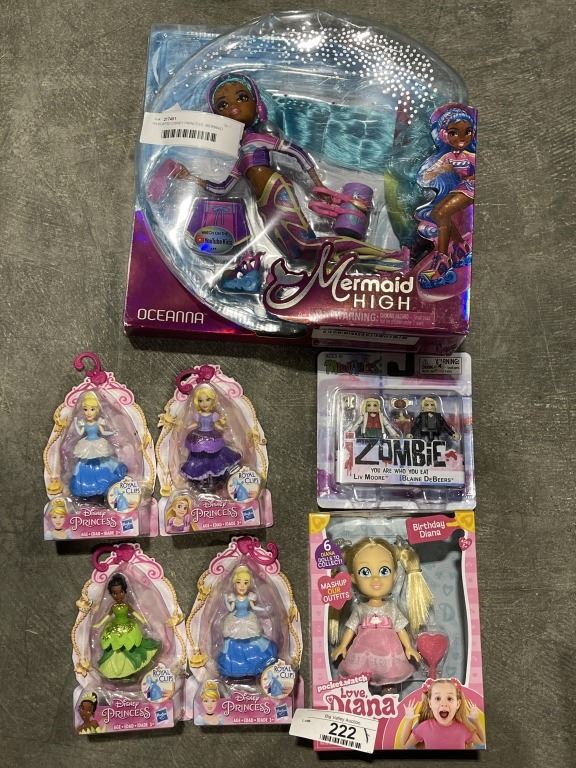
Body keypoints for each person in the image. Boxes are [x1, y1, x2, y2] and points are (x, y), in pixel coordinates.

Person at [172, 73, 407, 272]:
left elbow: (297, 152)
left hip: (276, 190)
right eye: (222, 105)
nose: (233, 105)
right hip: (264, 206)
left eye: (242, 97)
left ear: (257, 104)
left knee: (306, 246)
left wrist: (318, 184)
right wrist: (189, 177)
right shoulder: (242, 153)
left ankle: (388, 258)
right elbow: (222, 188)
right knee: (298, 253)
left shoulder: (259, 138)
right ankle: (379, 263)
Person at [331, 538, 432, 687]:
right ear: (353, 578)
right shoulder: (360, 608)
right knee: (361, 678)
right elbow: (351, 628)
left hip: (388, 652)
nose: (375, 579)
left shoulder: (391, 608)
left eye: (384, 571)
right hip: (363, 650)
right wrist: (342, 646)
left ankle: (388, 692)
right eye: (365, 572)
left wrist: (409, 647)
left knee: (389, 677)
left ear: (394, 576)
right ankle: (364, 695)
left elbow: (401, 629)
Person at [415, 104, 476, 280]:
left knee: (441, 213)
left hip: (471, 189)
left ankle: (442, 259)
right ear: (444, 134)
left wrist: (471, 177)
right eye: (454, 132)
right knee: (437, 213)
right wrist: (441, 170)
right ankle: (460, 246)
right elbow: (425, 177)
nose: (462, 137)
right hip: (461, 189)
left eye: (467, 131)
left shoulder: (471, 157)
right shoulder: (447, 157)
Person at [94, 573, 160, 680]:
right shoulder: (113, 606)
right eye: (114, 593)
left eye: (121, 592)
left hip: (128, 627)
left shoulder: (126, 605)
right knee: (115, 647)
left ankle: (131, 668)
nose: (118, 596)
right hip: (115, 629)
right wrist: (99, 624)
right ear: (111, 594)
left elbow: (134, 612)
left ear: (125, 592)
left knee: (131, 645)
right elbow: (107, 616)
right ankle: (117, 669)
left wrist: (142, 619)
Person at [217, 564, 278, 678]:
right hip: (235, 620)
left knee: (254, 640)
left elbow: (254, 607)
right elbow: (230, 609)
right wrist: (226, 599)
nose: (242, 586)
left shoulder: (249, 597)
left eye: (245, 583)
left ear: (249, 584)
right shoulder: (234, 598)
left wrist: (265, 609)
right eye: (239, 582)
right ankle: (235, 667)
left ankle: (256, 663)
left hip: (248, 619)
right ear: (234, 584)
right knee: (232, 642)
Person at [69, 392, 127, 498]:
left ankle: (104, 482)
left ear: (97, 410)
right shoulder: (84, 423)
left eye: (92, 409)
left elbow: (103, 432)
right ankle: (86, 485)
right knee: (84, 464)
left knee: (103, 462)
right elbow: (80, 433)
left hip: (97, 443)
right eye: (85, 409)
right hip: (87, 443)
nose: (88, 413)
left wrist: (113, 432)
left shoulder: (98, 422)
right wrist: (76, 423)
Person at [181, 383, 242, 483]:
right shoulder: (197, 415)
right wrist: (187, 427)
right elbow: (195, 424)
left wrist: (222, 427)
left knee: (216, 453)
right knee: (198, 455)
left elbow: (217, 426)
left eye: (207, 399)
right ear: (197, 402)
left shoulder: (214, 415)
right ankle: (202, 474)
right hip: (198, 436)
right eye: (201, 401)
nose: (204, 403)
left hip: (212, 435)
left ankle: (217, 472)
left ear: (212, 400)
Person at [400, 678, 485, 749]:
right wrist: (409, 720)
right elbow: (404, 744)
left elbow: (482, 741)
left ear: (458, 704)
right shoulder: (424, 727)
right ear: (430, 703)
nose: (444, 703)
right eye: (437, 698)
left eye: (449, 698)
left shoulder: (464, 728)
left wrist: (475, 720)